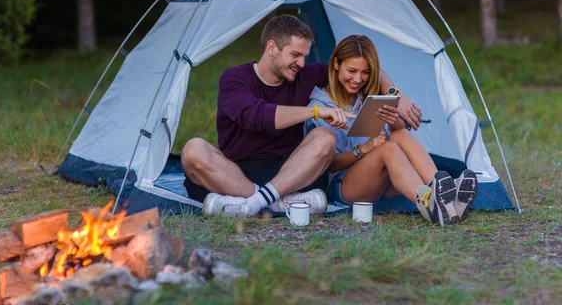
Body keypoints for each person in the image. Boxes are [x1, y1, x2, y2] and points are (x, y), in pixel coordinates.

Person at [181, 15, 424, 217]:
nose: (301, 63)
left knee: (324, 137)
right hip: (238, 172)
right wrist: (316, 111)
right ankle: (273, 202)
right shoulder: (235, 78)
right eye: (296, 55)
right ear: (272, 48)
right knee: (193, 149)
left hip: (294, 171)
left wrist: (396, 95)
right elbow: (258, 117)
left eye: (305, 56)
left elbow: (366, 70)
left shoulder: (304, 74)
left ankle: (249, 203)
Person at [306, 35, 479, 225]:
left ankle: (443, 195)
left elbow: (396, 133)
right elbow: (327, 165)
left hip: (381, 179)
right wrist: (364, 148)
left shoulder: (368, 98)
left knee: (400, 134)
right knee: (388, 149)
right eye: (352, 71)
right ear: (336, 64)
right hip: (343, 185)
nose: (358, 79)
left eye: (365, 72)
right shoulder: (319, 107)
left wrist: (394, 117)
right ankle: (431, 204)